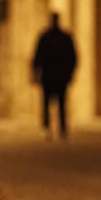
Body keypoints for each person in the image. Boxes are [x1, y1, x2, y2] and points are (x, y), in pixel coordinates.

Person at [32, 12, 77, 140]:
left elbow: (72, 57)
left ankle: (59, 128)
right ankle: (50, 128)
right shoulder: (46, 38)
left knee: (60, 103)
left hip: (57, 76)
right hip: (50, 76)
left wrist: (70, 73)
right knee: (49, 103)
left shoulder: (58, 38)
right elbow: (37, 56)